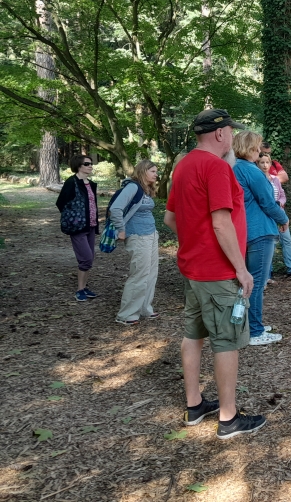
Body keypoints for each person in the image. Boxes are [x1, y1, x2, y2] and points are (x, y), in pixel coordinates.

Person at [164, 108, 265, 440]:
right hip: (219, 272)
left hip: (193, 269)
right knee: (226, 342)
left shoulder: (184, 166)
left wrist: (195, 242)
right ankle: (228, 418)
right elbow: (222, 222)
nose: (233, 139)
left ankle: (195, 406)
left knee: (193, 335)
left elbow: (170, 219)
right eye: (230, 134)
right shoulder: (215, 167)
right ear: (220, 134)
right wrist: (241, 268)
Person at [233, 131, 289, 345]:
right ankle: (255, 331)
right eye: (257, 146)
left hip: (247, 230)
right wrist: (283, 218)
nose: (260, 150)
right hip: (260, 231)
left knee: (249, 281)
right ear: (250, 148)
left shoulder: (236, 168)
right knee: (257, 283)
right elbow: (267, 202)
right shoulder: (251, 171)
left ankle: (249, 324)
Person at [109, 160, 160, 325]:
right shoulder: (133, 187)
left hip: (151, 235)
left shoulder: (146, 189)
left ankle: (145, 308)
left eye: (156, 171)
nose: (156, 174)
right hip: (138, 236)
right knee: (139, 273)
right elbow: (115, 208)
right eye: (152, 171)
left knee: (151, 273)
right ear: (143, 171)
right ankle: (127, 314)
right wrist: (121, 229)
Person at [56, 155, 100, 301]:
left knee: (90, 258)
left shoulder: (90, 184)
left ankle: (84, 287)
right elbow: (61, 203)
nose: (90, 166)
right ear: (79, 166)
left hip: (91, 225)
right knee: (86, 258)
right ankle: (79, 290)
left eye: (91, 164)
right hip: (78, 227)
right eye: (87, 164)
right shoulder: (71, 182)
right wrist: (72, 218)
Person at [257, 153, 291, 279]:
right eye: (262, 162)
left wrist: (280, 203)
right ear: (257, 164)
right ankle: (268, 273)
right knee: (271, 243)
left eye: (267, 162)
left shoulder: (275, 179)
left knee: (287, 240)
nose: (265, 165)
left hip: (280, 212)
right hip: (266, 215)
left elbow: (282, 195)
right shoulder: (258, 179)